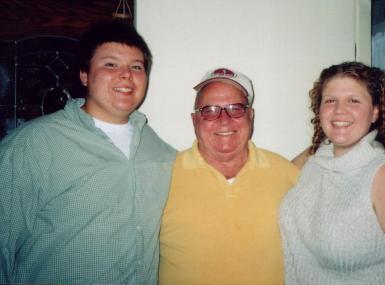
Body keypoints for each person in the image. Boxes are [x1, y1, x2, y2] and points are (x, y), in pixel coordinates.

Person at [0, 20, 176, 284]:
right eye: (111, 64)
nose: (126, 75)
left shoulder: (160, 152)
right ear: (84, 75)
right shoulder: (32, 145)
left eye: (136, 67)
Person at [279, 61, 385, 284]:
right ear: (319, 109)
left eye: (353, 100)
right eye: (330, 100)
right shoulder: (315, 158)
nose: (339, 110)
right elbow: (269, 183)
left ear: (375, 112)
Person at [158, 67, 299, 285]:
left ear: (250, 116)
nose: (224, 120)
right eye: (210, 110)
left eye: (236, 108)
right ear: (195, 120)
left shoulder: (286, 174)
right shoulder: (162, 177)